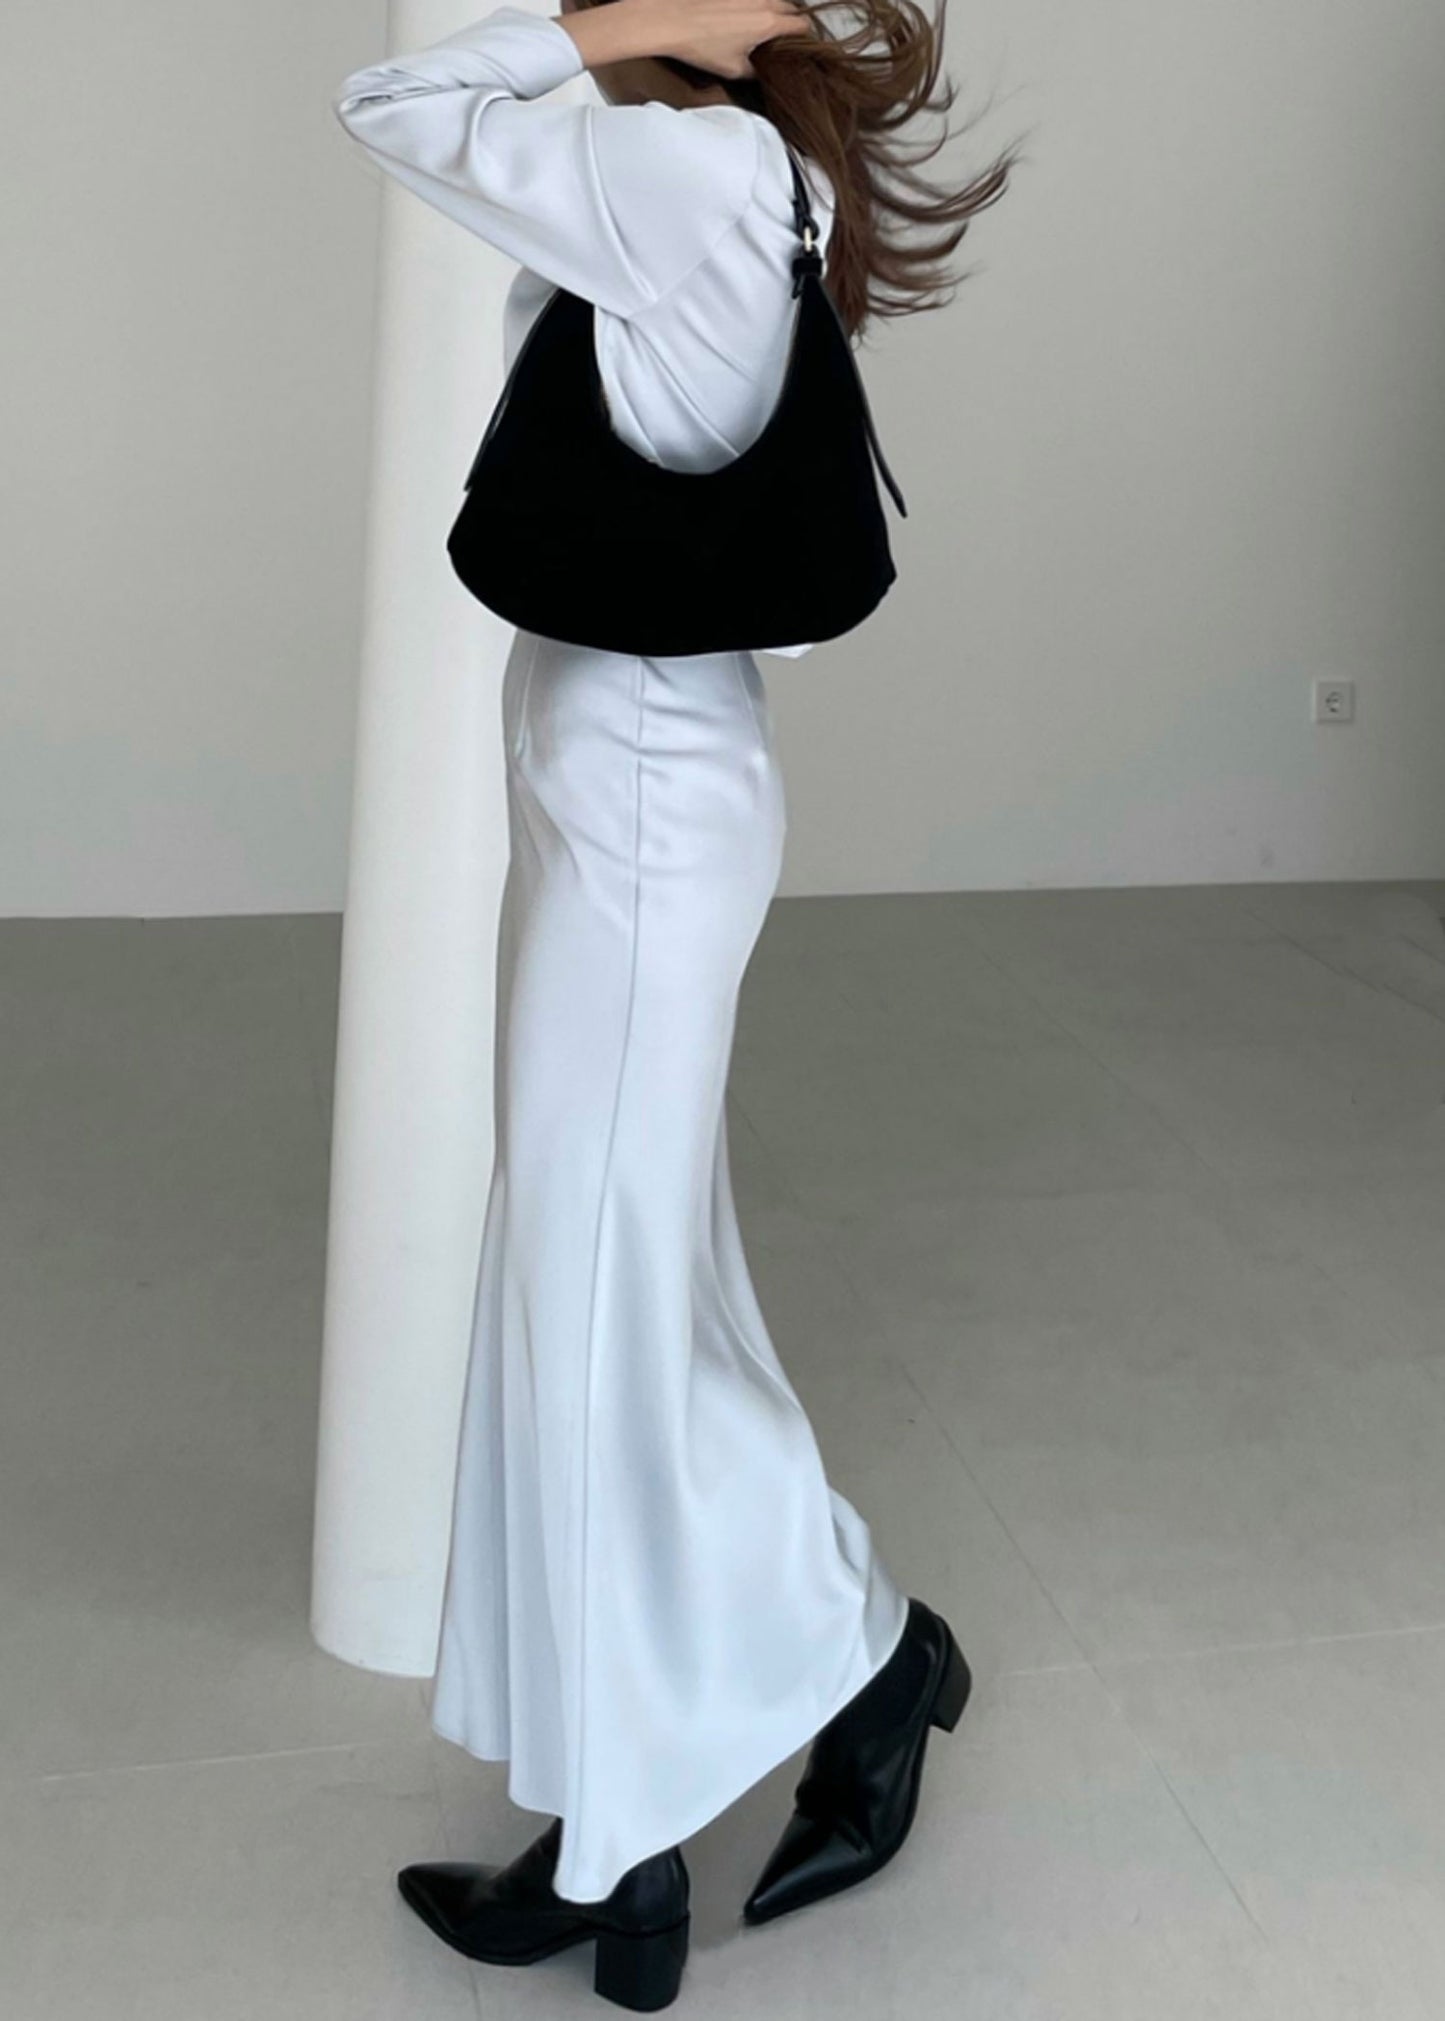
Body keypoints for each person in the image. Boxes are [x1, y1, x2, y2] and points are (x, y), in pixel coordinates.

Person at [332, 1, 1016, 2006]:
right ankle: (613, 1825)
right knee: (608, 1297)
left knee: (603, 1313)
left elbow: (391, 101)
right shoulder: (738, 177)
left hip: (639, 800)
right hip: (633, 786)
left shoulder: (687, 166)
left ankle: (864, 1663)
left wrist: (620, 31)